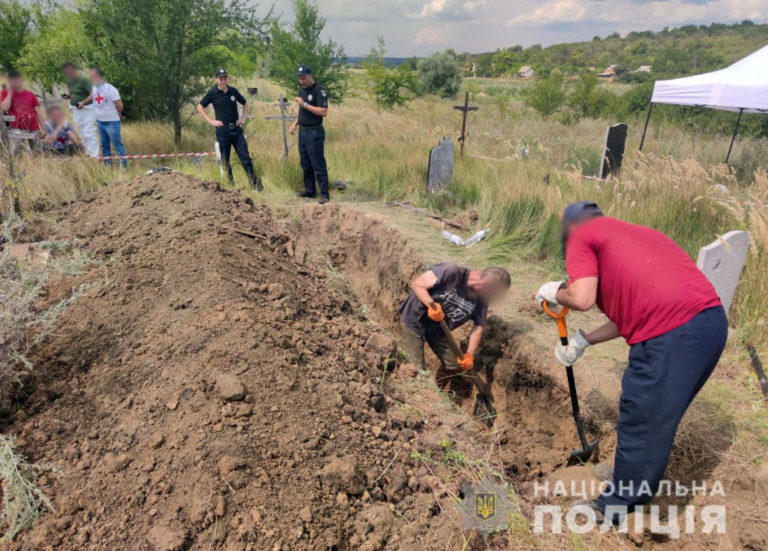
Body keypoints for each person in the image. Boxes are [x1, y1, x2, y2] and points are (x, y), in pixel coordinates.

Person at [535, 201, 727, 523]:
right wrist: (584, 340)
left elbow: (582, 297)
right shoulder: (641, 234)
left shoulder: (580, 234)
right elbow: (634, 312)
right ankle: (630, 474)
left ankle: (617, 504)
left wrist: (556, 291)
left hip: (673, 336)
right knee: (657, 418)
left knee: (642, 414)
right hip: (710, 326)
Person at [399, 263, 511, 381]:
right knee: (416, 371)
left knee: (454, 365)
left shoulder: (482, 299)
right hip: (415, 319)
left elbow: (479, 326)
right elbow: (418, 284)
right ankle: (419, 389)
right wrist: (431, 305)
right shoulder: (452, 272)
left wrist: (469, 354)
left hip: (438, 330)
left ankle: (438, 390)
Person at [197, 68, 262, 191]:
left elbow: (245, 103)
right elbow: (200, 106)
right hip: (223, 131)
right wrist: (210, 120)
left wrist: (243, 118)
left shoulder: (233, 91)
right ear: (216, 79)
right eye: (220, 78)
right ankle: (231, 186)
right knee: (225, 160)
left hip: (236, 130)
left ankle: (255, 185)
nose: (223, 80)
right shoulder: (212, 93)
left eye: (225, 78)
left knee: (245, 158)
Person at [288, 65, 329, 204]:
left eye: (304, 78)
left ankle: (324, 193)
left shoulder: (319, 90)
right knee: (305, 163)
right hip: (303, 131)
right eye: (299, 78)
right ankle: (310, 190)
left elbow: (323, 112)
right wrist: (295, 123)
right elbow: (302, 111)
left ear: (310, 76)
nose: (302, 81)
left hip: (314, 131)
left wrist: (305, 104)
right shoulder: (302, 89)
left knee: (317, 163)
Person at [83, 68, 127, 167]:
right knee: (104, 145)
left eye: (93, 76)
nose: (91, 79)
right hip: (100, 121)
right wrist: (83, 103)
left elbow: (119, 105)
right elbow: (92, 97)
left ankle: (123, 166)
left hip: (112, 122)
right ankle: (107, 165)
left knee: (117, 144)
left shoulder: (110, 89)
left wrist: (118, 113)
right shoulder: (94, 88)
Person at [62, 62, 98, 157]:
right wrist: (69, 97)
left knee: (88, 131)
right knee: (81, 132)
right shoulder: (70, 83)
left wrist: (83, 103)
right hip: (76, 109)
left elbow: (93, 94)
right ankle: (87, 153)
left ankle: (94, 154)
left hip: (87, 109)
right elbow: (77, 94)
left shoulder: (83, 80)